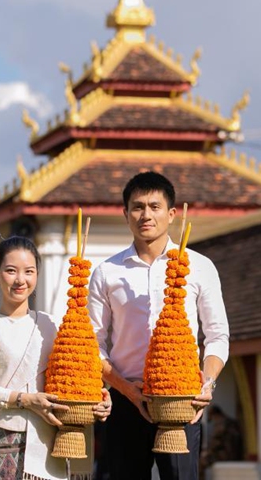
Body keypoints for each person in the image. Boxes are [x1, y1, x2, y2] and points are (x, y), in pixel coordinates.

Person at [89, 172, 230, 480]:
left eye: (154, 206)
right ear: (126, 214)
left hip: (182, 401)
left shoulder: (199, 266)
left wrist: (207, 383)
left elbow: (218, 335)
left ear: (171, 213)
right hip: (127, 400)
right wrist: (126, 389)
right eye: (137, 207)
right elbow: (92, 344)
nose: (146, 214)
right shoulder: (106, 273)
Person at [0, 235, 112, 480]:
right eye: (11, 271)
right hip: (9, 440)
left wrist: (101, 395)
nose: (20, 280)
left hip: (56, 439)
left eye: (29, 271)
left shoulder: (50, 324)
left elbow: (80, 370)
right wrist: (24, 399)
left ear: (37, 276)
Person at [199, 406, 242, 477]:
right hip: (235, 454)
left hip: (226, 455)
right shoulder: (230, 421)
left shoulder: (221, 423)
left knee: (200, 463)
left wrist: (207, 451)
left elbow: (216, 442)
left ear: (214, 414)